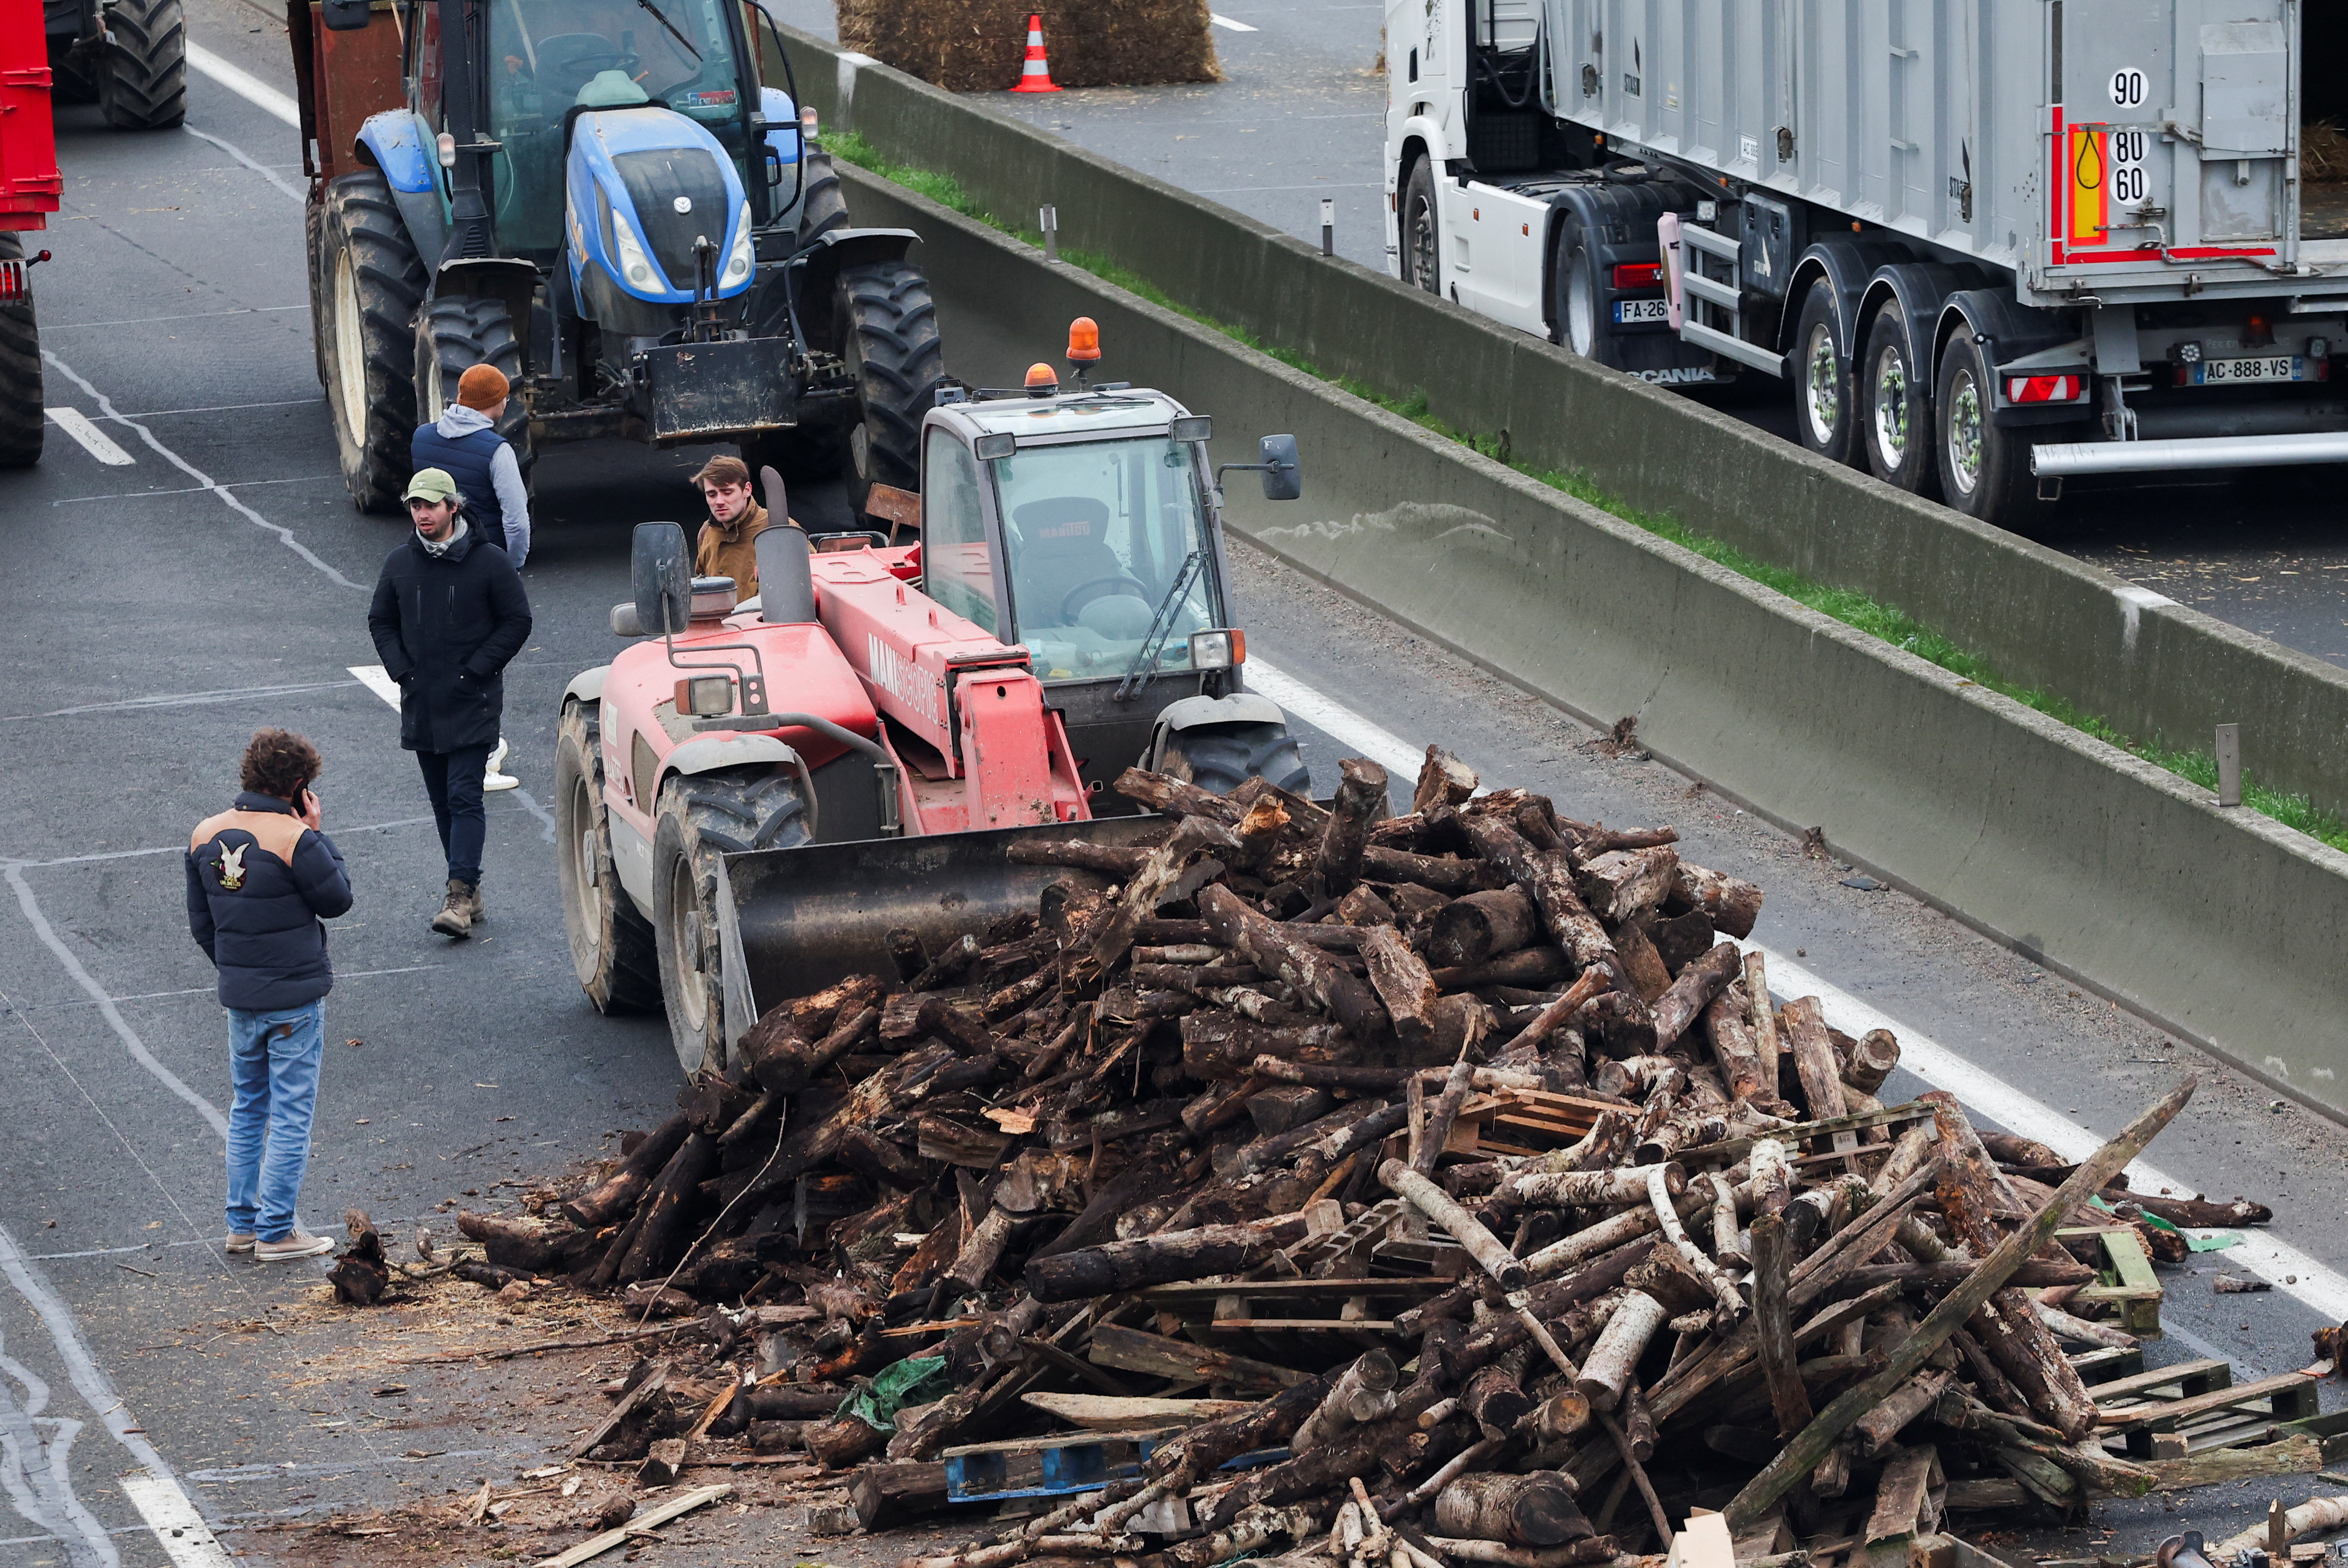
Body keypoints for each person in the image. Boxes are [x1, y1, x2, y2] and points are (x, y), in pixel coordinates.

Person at [186, 729, 353, 1262]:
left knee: (249, 1106)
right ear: (300, 786)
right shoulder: (295, 839)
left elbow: (201, 925)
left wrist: (239, 971)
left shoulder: (204, 836)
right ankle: (277, 1230)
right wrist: (318, 833)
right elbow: (337, 899)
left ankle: (241, 1224)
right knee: (291, 1111)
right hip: (294, 998)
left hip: (242, 997)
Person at [367, 467, 533, 938]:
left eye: (430, 506)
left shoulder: (490, 562)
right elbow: (380, 620)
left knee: (464, 795)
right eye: (415, 506)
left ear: (452, 507)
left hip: (472, 701)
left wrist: (477, 669)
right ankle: (470, 886)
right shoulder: (400, 562)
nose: (422, 514)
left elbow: (517, 621)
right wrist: (403, 672)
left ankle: (458, 897)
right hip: (422, 702)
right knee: (442, 802)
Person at [414, 363, 531, 792]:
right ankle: (481, 753)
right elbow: (516, 522)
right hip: (481, 573)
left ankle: (453, 745)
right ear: (498, 403)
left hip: (430, 570)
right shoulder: (496, 451)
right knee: (484, 661)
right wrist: (510, 567)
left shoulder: (422, 439)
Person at [692, 454, 792, 597]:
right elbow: (703, 585)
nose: (719, 501)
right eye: (712, 495)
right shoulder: (707, 532)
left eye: (727, 492)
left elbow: (814, 581)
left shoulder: (778, 527)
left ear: (747, 490)